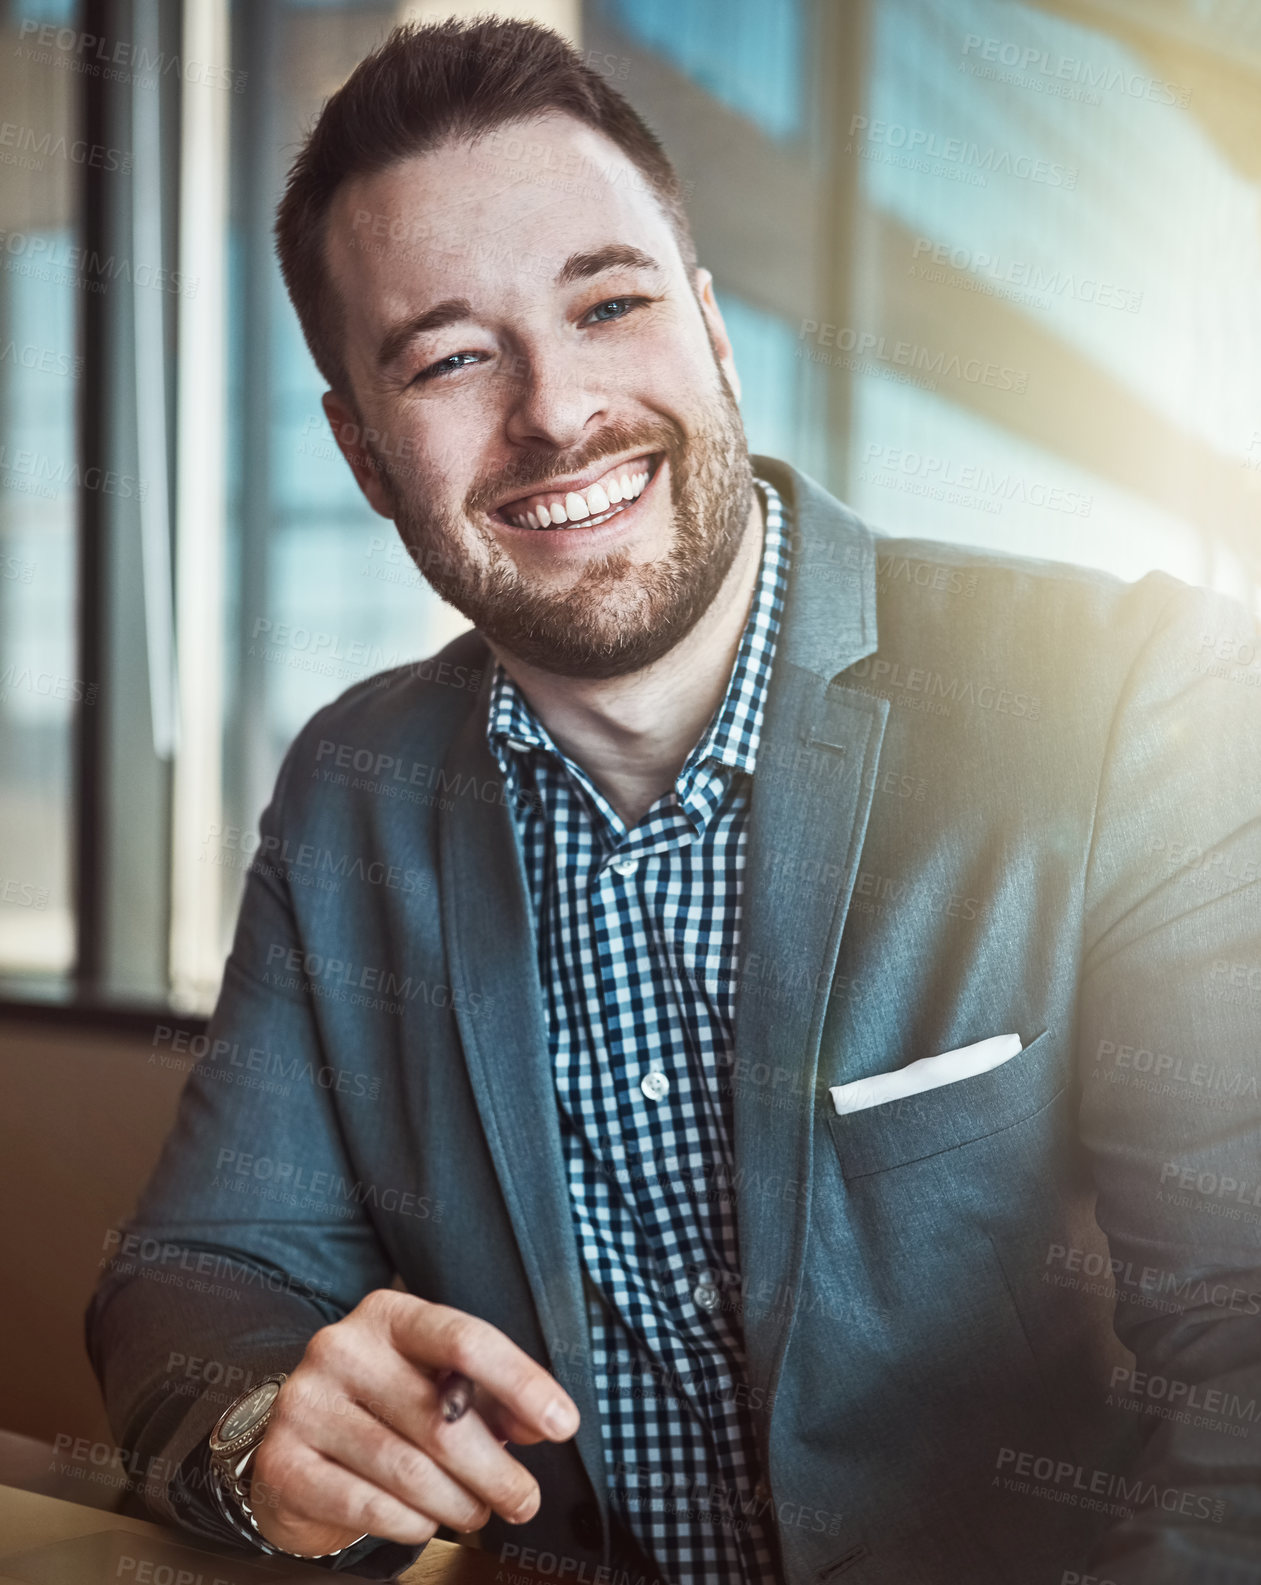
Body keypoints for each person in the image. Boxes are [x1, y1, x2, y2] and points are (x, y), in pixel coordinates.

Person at [86, 16, 1261, 1585]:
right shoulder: (349, 789)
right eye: (448, 356)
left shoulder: (1128, 697)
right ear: (363, 453)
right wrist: (258, 1440)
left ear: (708, 327)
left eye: (609, 303)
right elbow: (197, 1267)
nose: (556, 411)